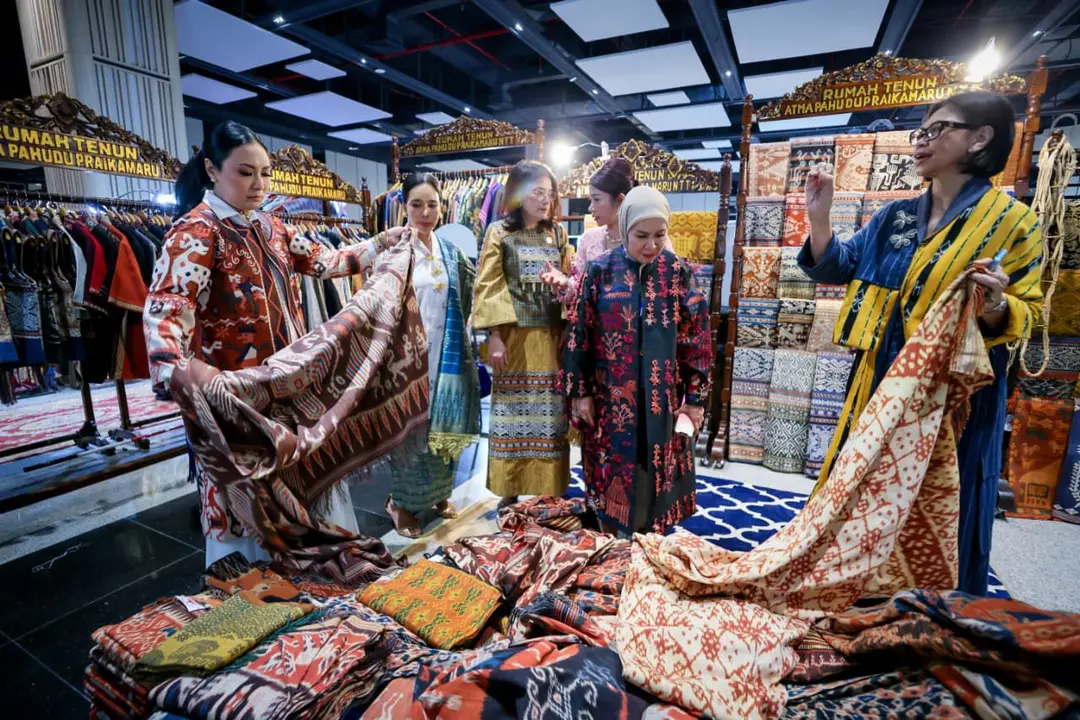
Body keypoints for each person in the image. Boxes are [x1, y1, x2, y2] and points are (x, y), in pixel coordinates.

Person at [798, 91, 1043, 595]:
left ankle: (935, 608)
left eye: (937, 130)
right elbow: (837, 266)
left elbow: (1027, 314)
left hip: (951, 398)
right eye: (921, 132)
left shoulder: (1013, 223)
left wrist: (995, 303)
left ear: (980, 138)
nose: (921, 142)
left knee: (939, 502)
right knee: (859, 486)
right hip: (878, 382)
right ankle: (845, 591)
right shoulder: (895, 217)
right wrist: (819, 219)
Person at [144, 121, 403, 566]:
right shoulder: (196, 232)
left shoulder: (270, 227)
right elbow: (167, 307)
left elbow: (326, 262)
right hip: (235, 396)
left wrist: (381, 245)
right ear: (211, 169)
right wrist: (177, 370)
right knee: (244, 505)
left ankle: (303, 585)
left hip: (286, 386)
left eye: (265, 173)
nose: (259, 184)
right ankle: (249, 597)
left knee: (296, 482)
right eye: (246, 173)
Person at [562, 186, 712, 536]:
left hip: (663, 398)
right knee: (611, 466)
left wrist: (697, 401)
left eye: (660, 235)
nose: (651, 245)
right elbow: (578, 337)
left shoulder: (678, 273)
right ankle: (611, 535)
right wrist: (580, 393)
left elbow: (697, 341)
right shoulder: (600, 272)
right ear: (625, 228)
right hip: (610, 398)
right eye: (641, 235)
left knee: (655, 466)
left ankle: (650, 536)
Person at [384, 173, 481, 538]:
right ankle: (401, 503)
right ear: (403, 206)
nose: (426, 213)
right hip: (407, 360)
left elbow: (470, 295)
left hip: (448, 355)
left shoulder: (450, 251)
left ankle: (439, 493)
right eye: (417, 204)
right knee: (413, 433)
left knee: (445, 428)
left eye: (433, 205)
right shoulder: (394, 252)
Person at [471, 160, 574, 503]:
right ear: (517, 194)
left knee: (550, 412)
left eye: (549, 194)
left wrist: (566, 317)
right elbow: (489, 283)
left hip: (550, 339)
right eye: (537, 193)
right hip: (513, 340)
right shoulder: (499, 232)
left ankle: (549, 488)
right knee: (513, 412)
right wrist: (495, 336)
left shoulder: (558, 234)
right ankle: (510, 489)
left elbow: (570, 282)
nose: (545, 201)